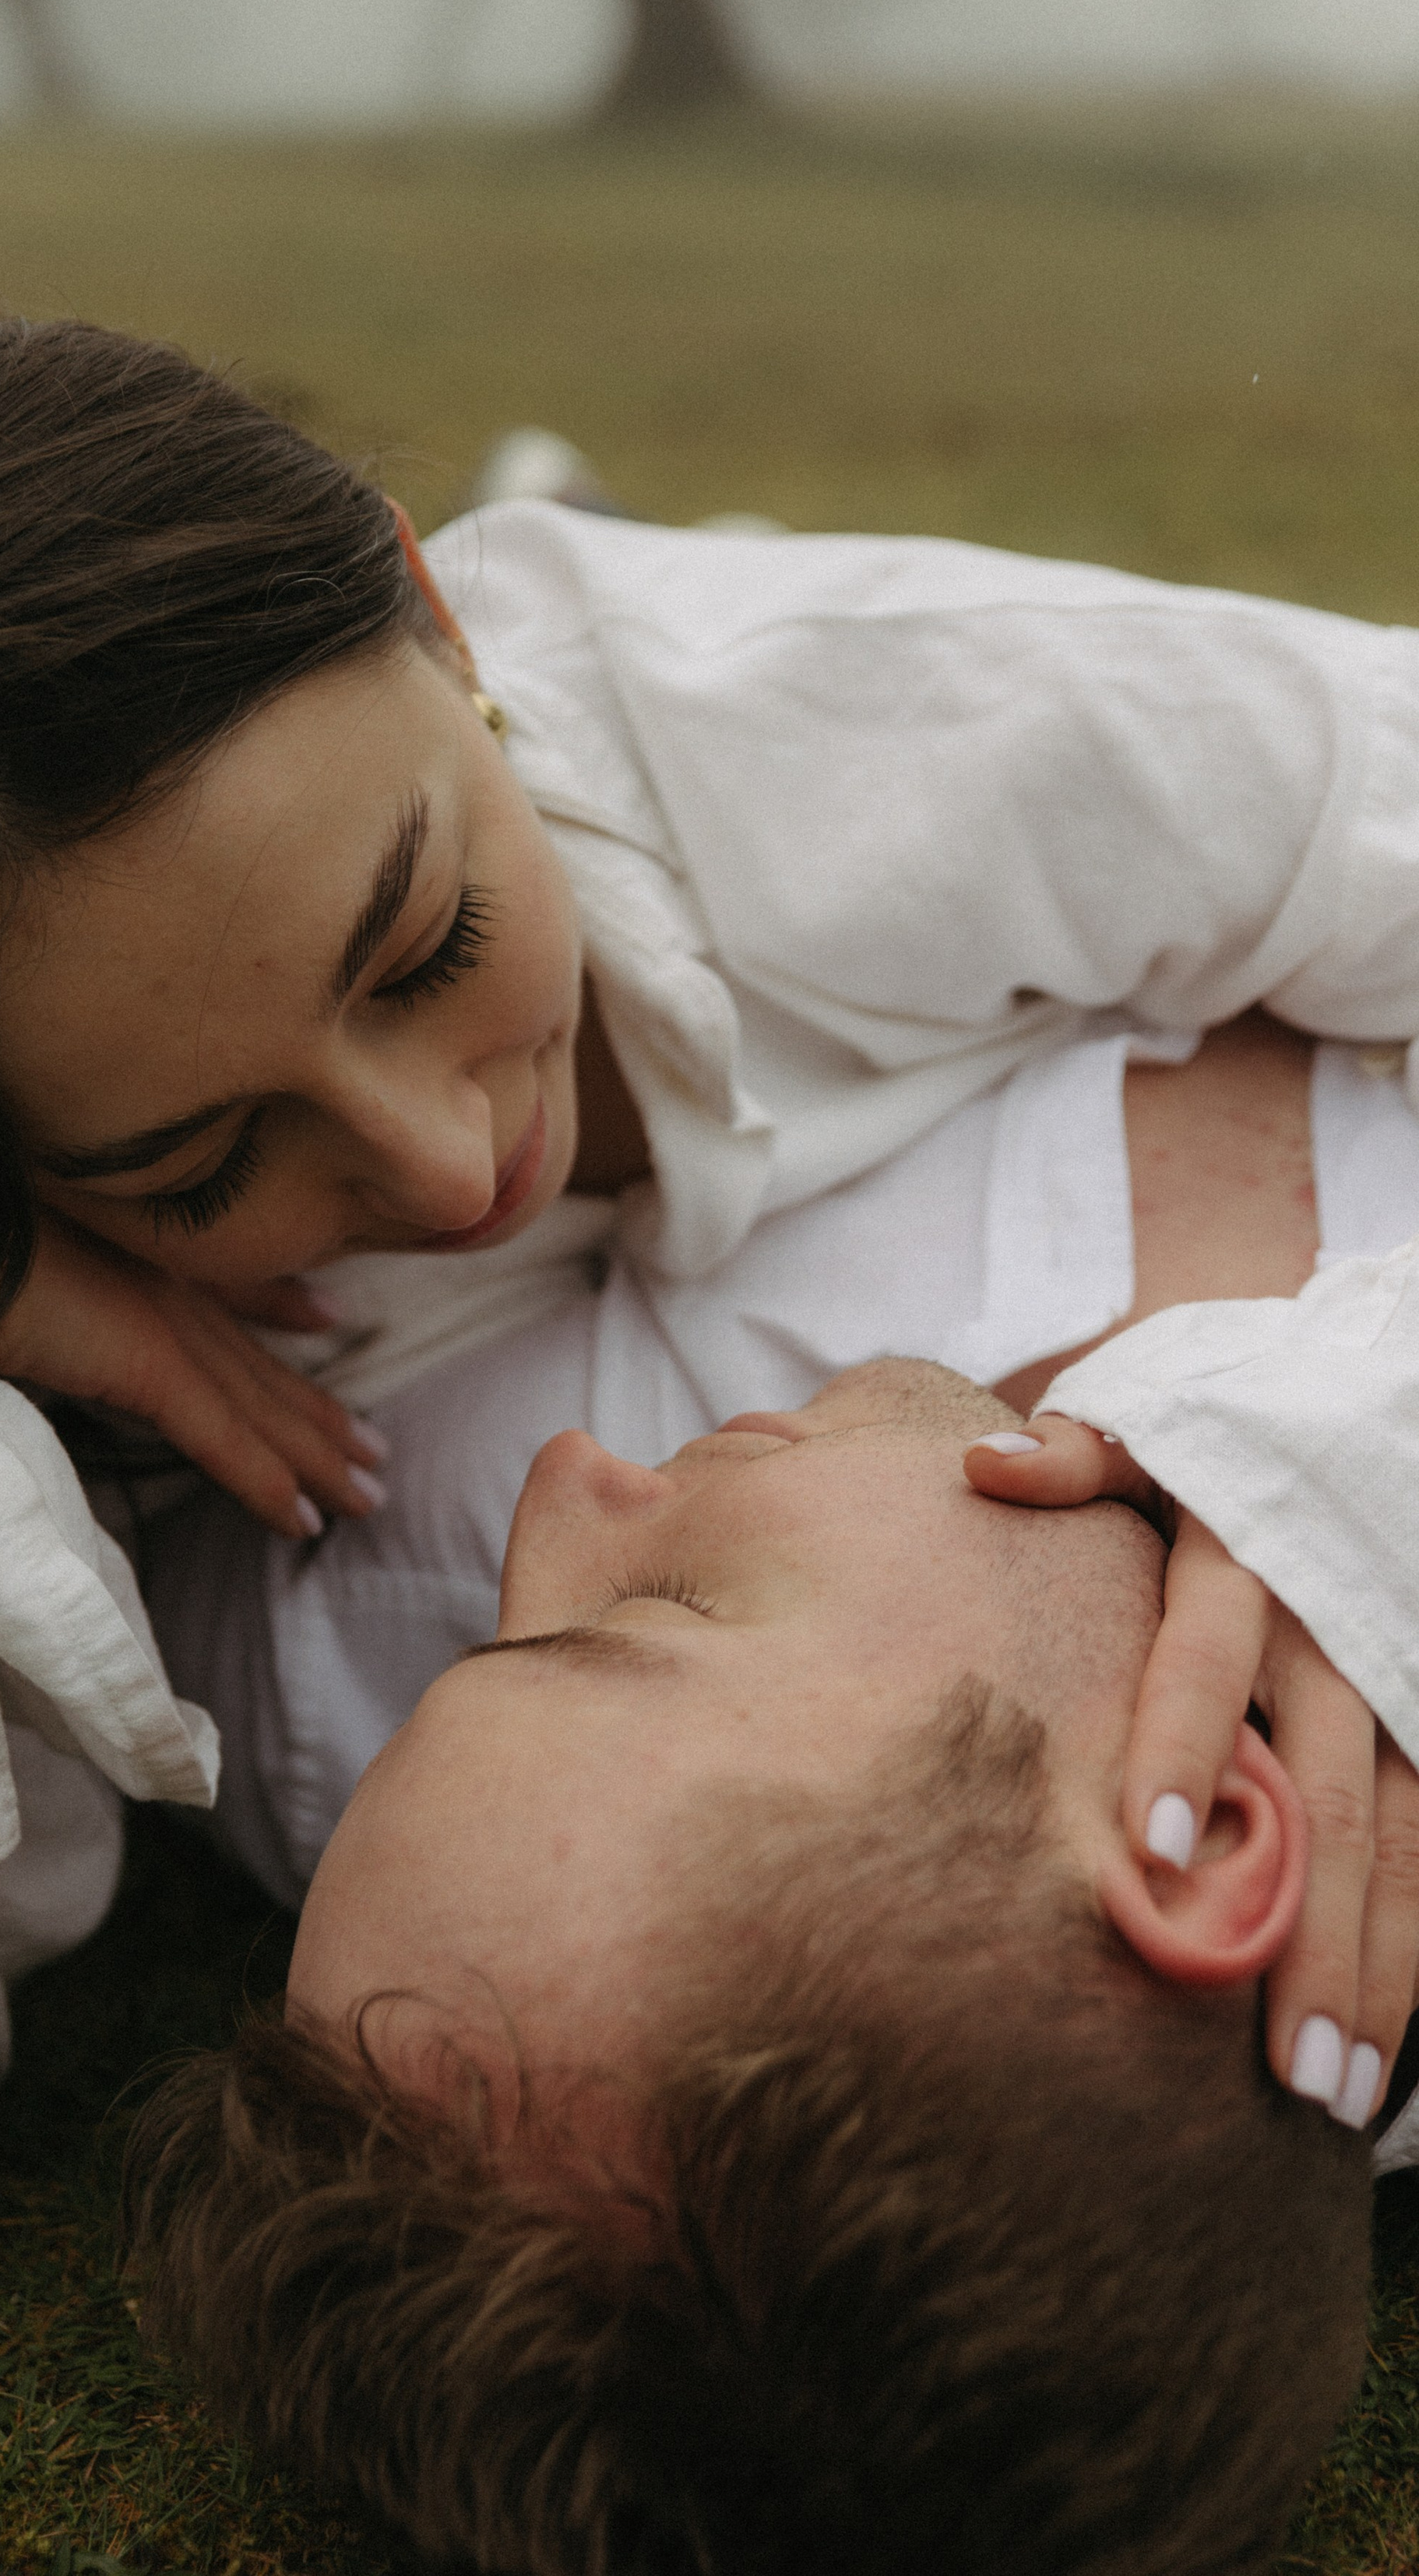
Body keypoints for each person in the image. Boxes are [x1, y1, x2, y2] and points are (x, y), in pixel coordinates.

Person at [0, 313, 1419, 2431]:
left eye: (430, 946)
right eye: (195, 1160)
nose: (449, 1164)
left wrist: (1339, 1454)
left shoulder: (831, 728)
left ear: (437, 611)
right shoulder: (327, 1587)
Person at [125, 1019, 1418, 2576]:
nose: (569, 1483)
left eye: (476, 1653)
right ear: (1198, 1826)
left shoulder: (316, 1621)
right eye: (648, 1620)